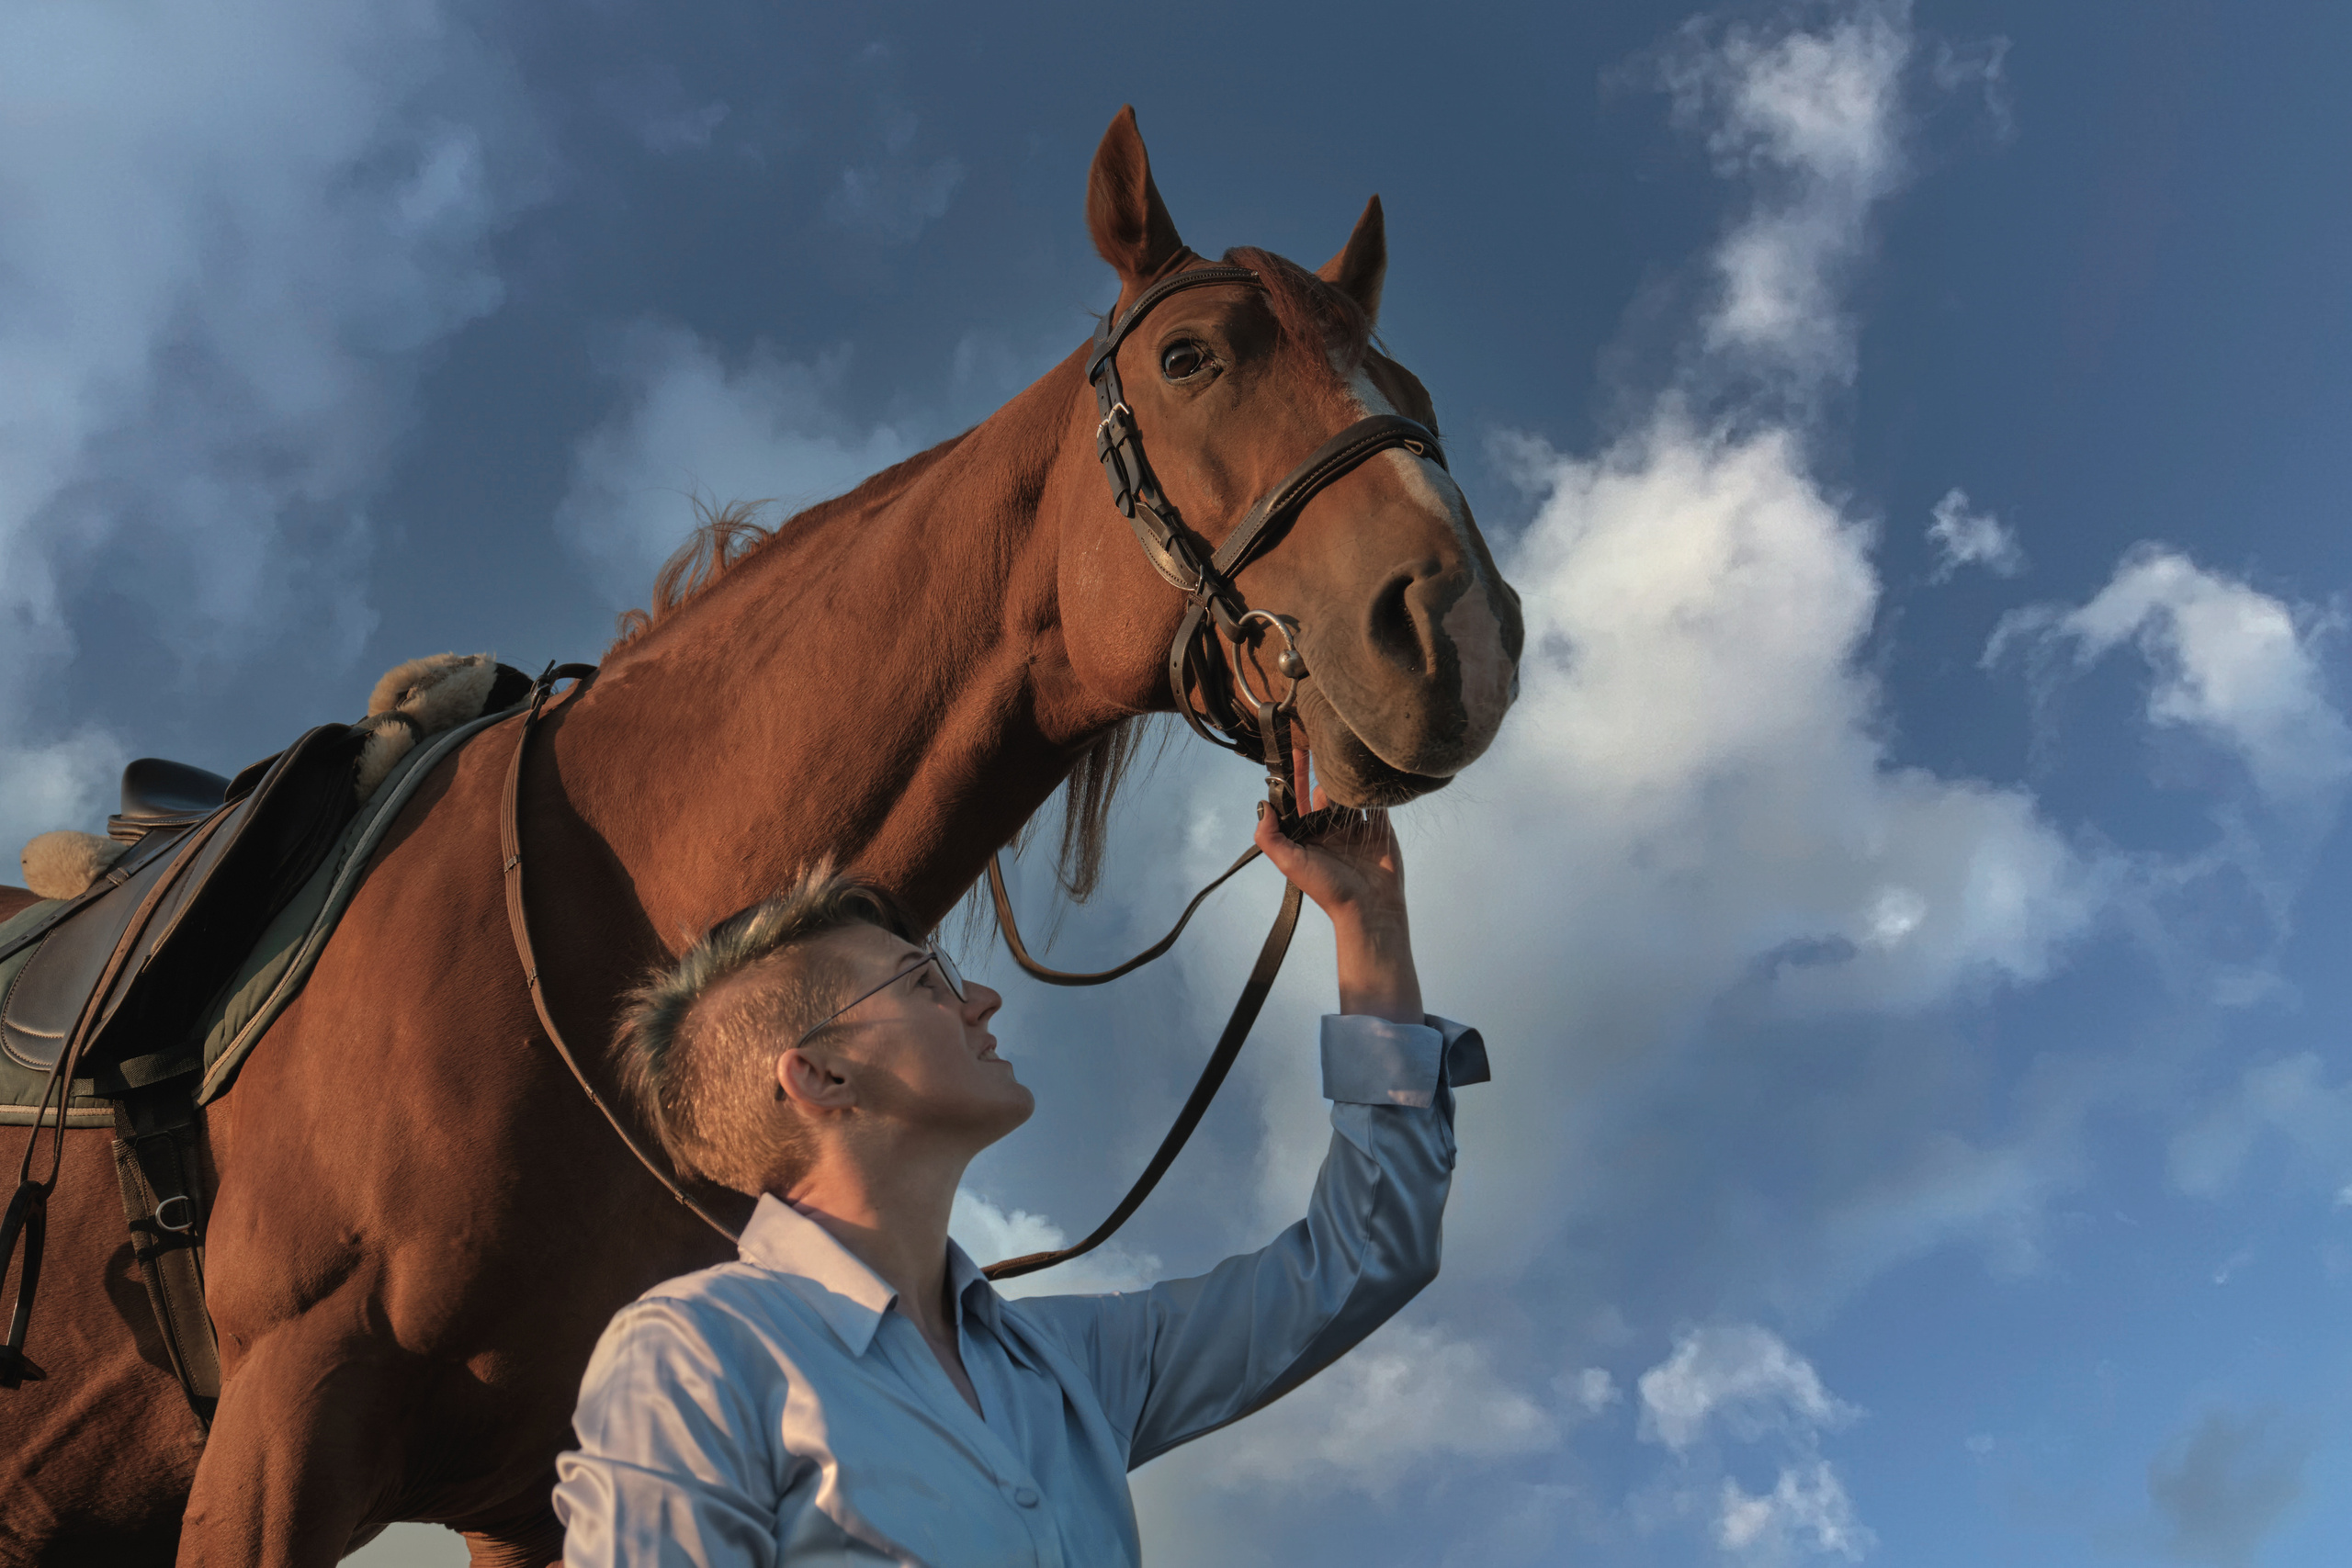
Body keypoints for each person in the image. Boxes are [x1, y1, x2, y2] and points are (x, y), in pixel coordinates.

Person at [552, 789, 1487, 1566]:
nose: (981, 1000)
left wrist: (1368, 926)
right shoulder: (693, 1355)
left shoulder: (1069, 1364)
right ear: (822, 1075)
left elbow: (1362, 1258)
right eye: (926, 983)